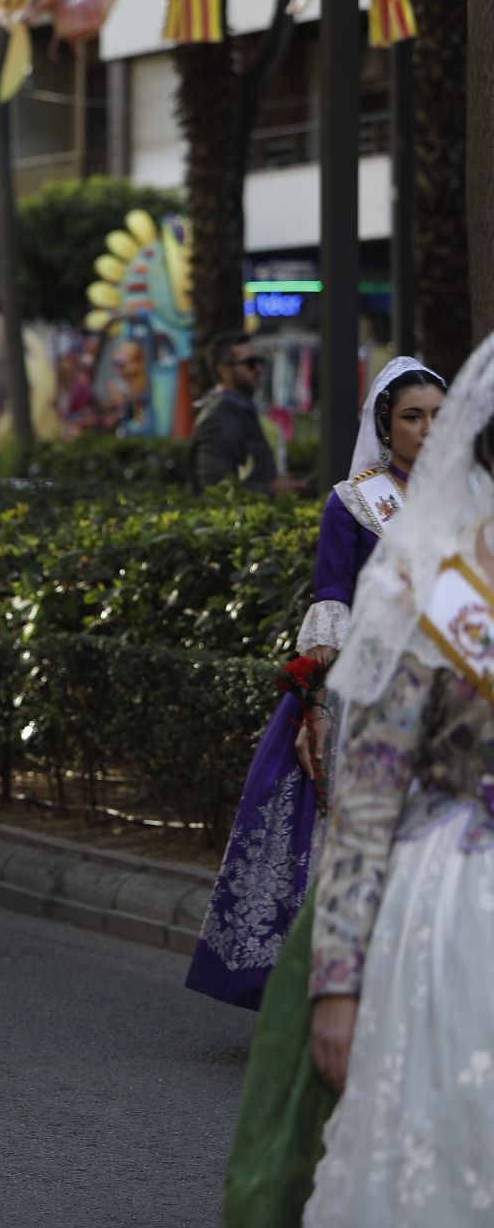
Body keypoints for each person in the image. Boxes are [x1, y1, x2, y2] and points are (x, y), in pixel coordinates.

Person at [287, 337, 494, 1224]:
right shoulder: (428, 580)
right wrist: (337, 980)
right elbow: (369, 799)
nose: (428, 429)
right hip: (459, 902)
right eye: (413, 416)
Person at [190, 358, 446, 1014]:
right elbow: (333, 596)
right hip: (375, 697)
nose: (427, 429)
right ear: (386, 426)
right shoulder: (355, 501)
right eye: (413, 417)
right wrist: (314, 701)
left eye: (439, 415)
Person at [193, 334, 309, 495]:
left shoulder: (245, 409)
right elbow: (214, 488)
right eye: (250, 363)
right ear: (224, 370)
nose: (258, 369)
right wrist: (271, 489)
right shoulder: (218, 419)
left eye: (260, 361)